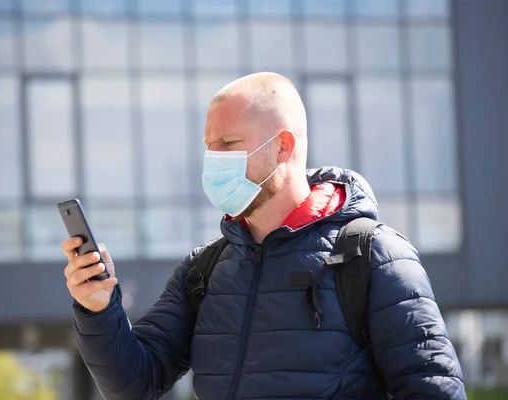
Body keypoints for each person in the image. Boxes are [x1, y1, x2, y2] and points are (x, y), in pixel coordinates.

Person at [61, 72, 466, 399]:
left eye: (228, 144)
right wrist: (98, 309)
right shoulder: (205, 269)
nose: (213, 159)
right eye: (209, 146)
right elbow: (135, 383)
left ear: (283, 147)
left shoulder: (373, 256)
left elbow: (433, 389)